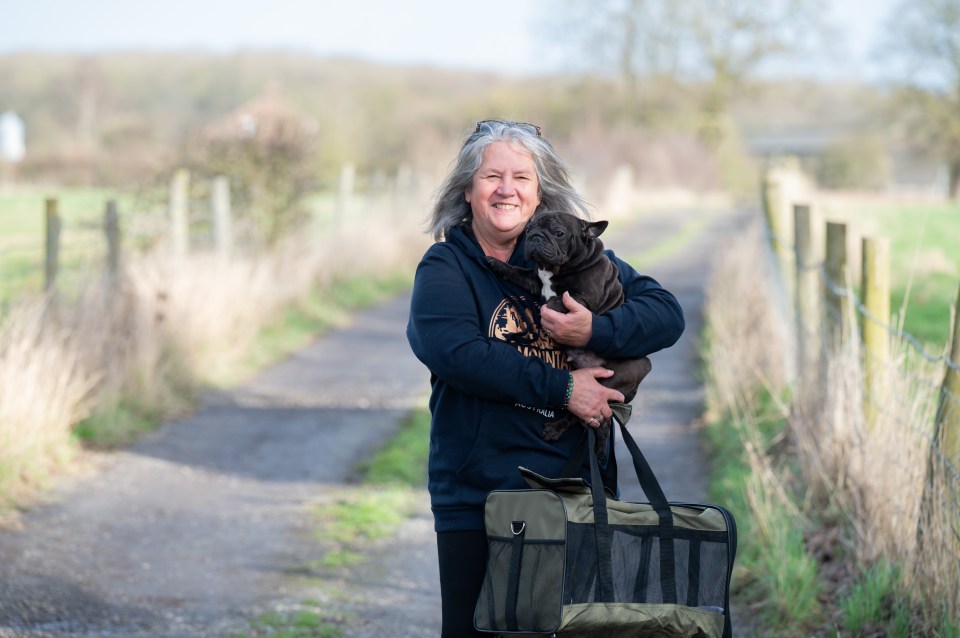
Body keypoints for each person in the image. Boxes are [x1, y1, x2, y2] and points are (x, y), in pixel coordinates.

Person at [405, 119, 685, 637]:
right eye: (491, 177)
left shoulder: (579, 259)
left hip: (575, 495)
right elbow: (457, 353)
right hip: (481, 498)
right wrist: (565, 389)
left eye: (522, 178)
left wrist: (595, 328)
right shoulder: (446, 268)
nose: (506, 189)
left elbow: (667, 314)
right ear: (467, 190)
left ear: (541, 195)